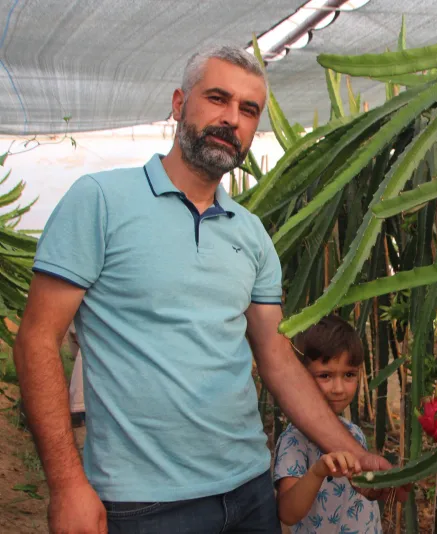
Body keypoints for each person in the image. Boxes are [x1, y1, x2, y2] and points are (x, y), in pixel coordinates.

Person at [12, 44, 401, 534]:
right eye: (217, 99)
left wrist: (351, 452)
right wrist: (68, 485)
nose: (231, 119)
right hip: (142, 502)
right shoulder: (101, 201)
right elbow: (37, 340)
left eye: (248, 109)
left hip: (249, 489)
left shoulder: (252, 234)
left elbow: (277, 359)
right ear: (179, 104)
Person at [273, 315, 382, 533]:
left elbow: (364, 494)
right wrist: (317, 472)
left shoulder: (354, 433)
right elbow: (287, 513)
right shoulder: (294, 442)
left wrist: (376, 487)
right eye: (325, 375)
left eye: (349, 375)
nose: (339, 388)